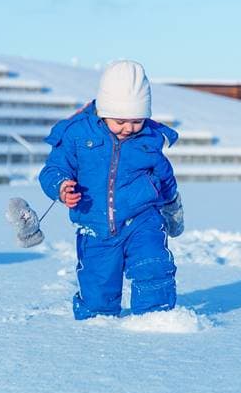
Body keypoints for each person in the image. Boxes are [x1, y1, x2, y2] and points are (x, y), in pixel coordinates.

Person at [39, 60, 184, 320]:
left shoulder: (148, 139)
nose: (128, 128)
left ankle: (157, 319)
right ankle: (98, 326)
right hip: (96, 225)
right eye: (120, 121)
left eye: (137, 121)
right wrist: (61, 187)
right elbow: (53, 169)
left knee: (153, 265)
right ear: (104, 111)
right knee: (98, 289)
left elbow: (165, 176)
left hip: (143, 219)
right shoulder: (77, 135)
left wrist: (172, 206)